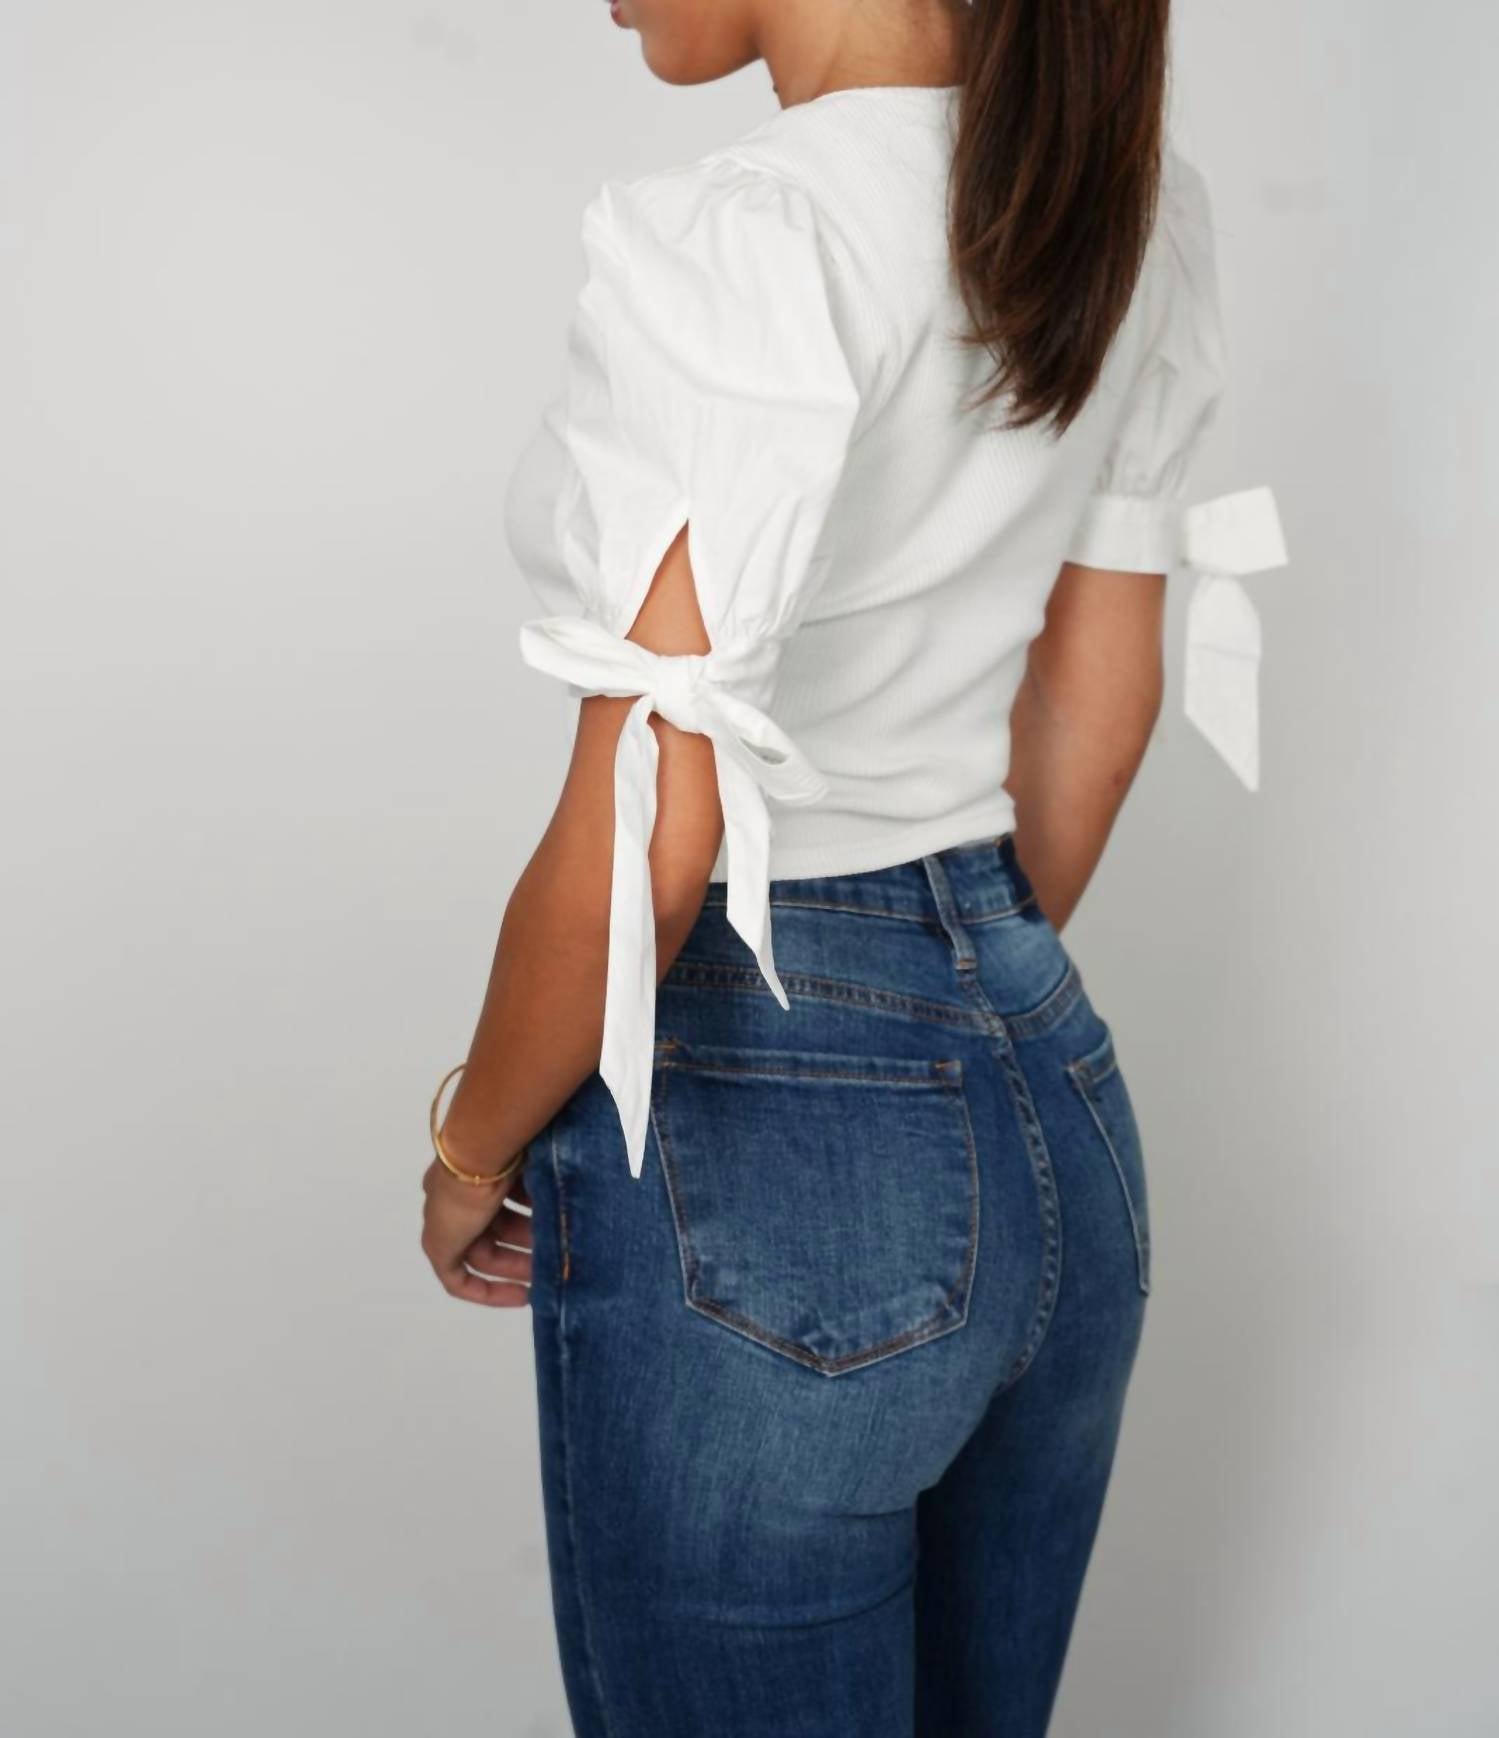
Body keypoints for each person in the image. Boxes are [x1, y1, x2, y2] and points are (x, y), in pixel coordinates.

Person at [419, 1, 1287, 1732]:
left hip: (762, 1123)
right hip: (1052, 1097)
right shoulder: (1117, 214)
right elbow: (1097, 719)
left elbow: (650, 833)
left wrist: (467, 1146)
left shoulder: (751, 236)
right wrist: (934, 1033)